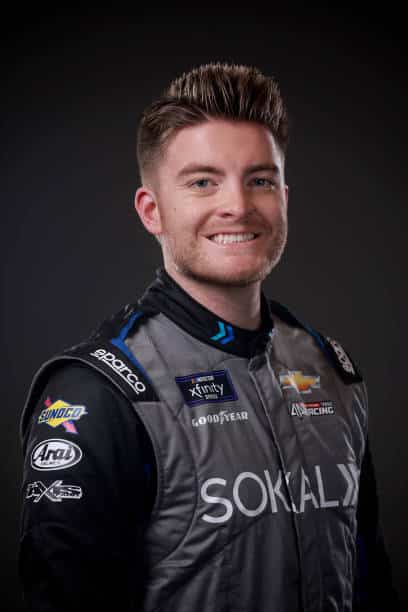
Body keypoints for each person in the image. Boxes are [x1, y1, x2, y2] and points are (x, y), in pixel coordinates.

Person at [19, 62, 399, 612]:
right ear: (153, 211)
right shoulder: (100, 392)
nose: (238, 206)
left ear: (284, 197)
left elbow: (370, 579)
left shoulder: (329, 369)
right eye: (203, 181)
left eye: (260, 180)